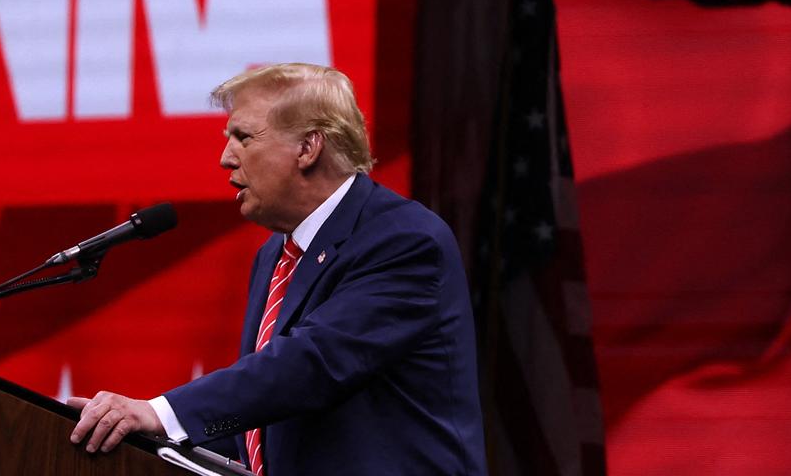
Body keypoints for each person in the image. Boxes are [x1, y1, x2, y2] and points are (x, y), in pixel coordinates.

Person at [68, 63, 486, 475]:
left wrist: (161, 413)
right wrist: (142, 437)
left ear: (308, 148)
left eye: (243, 137)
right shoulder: (276, 254)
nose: (224, 158)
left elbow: (313, 364)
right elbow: (265, 417)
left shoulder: (404, 240)